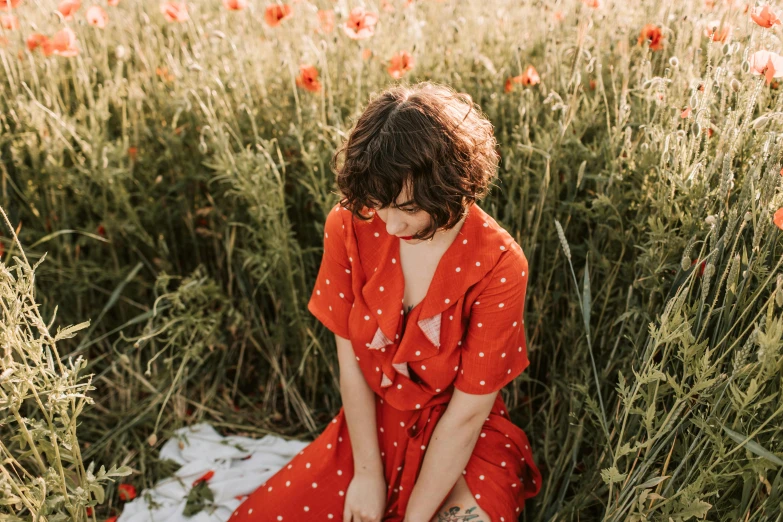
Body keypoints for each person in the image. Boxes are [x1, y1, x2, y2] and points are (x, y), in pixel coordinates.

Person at [228, 82, 541, 522]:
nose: (391, 225)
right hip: (371, 425)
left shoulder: (500, 264)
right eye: (381, 204)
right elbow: (351, 365)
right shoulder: (350, 223)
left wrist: (414, 518)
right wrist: (368, 476)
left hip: (460, 438)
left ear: (452, 187)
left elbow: (468, 414)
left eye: (409, 208)